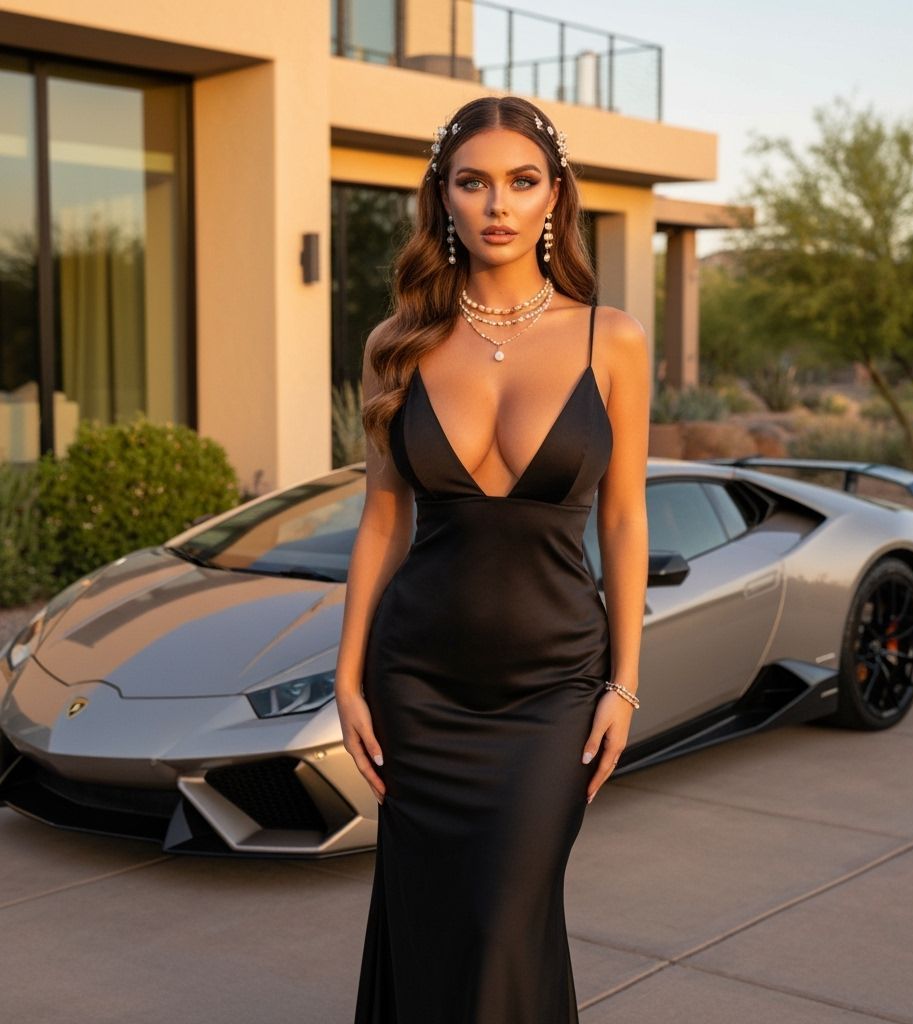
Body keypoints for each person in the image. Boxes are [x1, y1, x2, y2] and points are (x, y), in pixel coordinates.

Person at [334, 94, 650, 1024]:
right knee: (433, 927)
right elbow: (381, 522)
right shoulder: (397, 346)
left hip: (552, 688)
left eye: (522, 181)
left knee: (505, 921)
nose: (498, 205)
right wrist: (347, 679)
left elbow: (626, 521)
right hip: (419, 686)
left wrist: (625, 684)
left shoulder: (612, 339)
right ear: (444, 200)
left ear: (557, 197)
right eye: (473, 183)